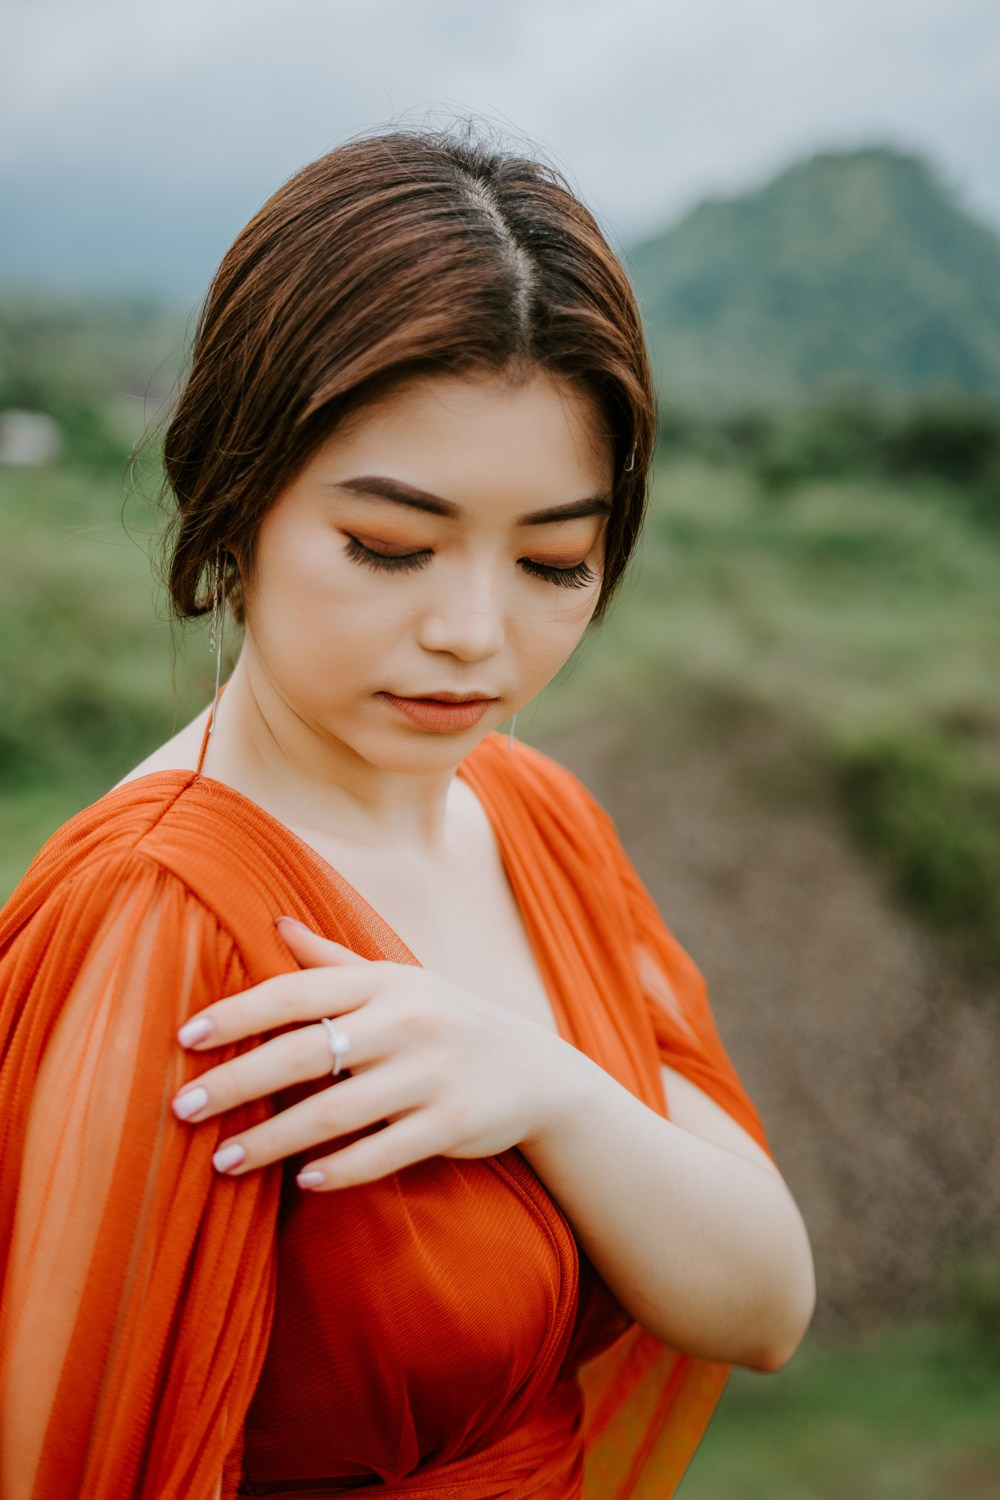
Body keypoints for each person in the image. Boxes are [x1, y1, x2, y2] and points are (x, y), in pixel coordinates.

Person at [0, 124, 815, 1500]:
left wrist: (550, 1091)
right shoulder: (158, 922)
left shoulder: (532, 813)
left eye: (557, 560)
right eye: (389, 546)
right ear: (236, 497)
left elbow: (763, 1302)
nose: (471, 634)